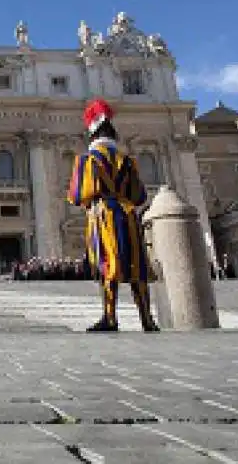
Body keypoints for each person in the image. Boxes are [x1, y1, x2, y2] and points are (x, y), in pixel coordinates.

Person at [66, 99, 160, 333]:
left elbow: (78, 194)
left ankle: (110, 317)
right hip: (129, 216)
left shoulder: (87, 160)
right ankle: (147, 319)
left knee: (107, 264)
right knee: (136, 265)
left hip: (103, 216)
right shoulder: (128, 161)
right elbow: (140, 196)